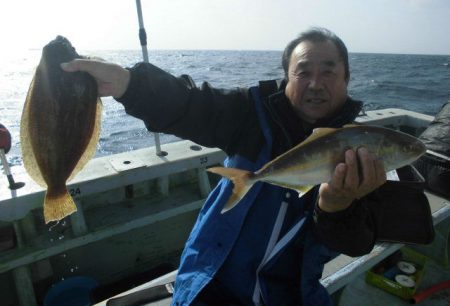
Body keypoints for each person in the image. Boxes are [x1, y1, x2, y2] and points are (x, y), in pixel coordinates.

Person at [62, 28, 387, 306]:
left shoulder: (364, 149)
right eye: (303, 71)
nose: (316, 83)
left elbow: (358, 244)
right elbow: (190, 105)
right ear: (286, 77)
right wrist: (128, 84)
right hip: (211, 280)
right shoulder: (250, 115)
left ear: (347, 78)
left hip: (293, 294)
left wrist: (335, 206)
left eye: (329, 71)